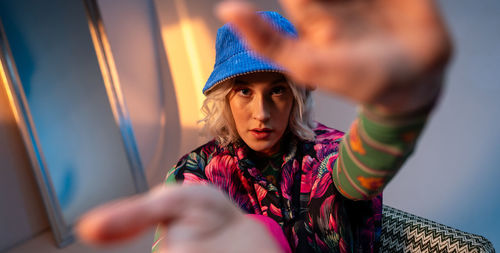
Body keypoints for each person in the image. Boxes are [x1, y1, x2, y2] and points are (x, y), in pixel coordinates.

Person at [76, 0, 452, 252]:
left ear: (297, 96)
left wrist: (398, 107)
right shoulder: (196, 171)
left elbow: (361, 170)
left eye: (277, 91)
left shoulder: (325, 156)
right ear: (225, 98)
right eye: (243, 91)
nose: (261, 112)